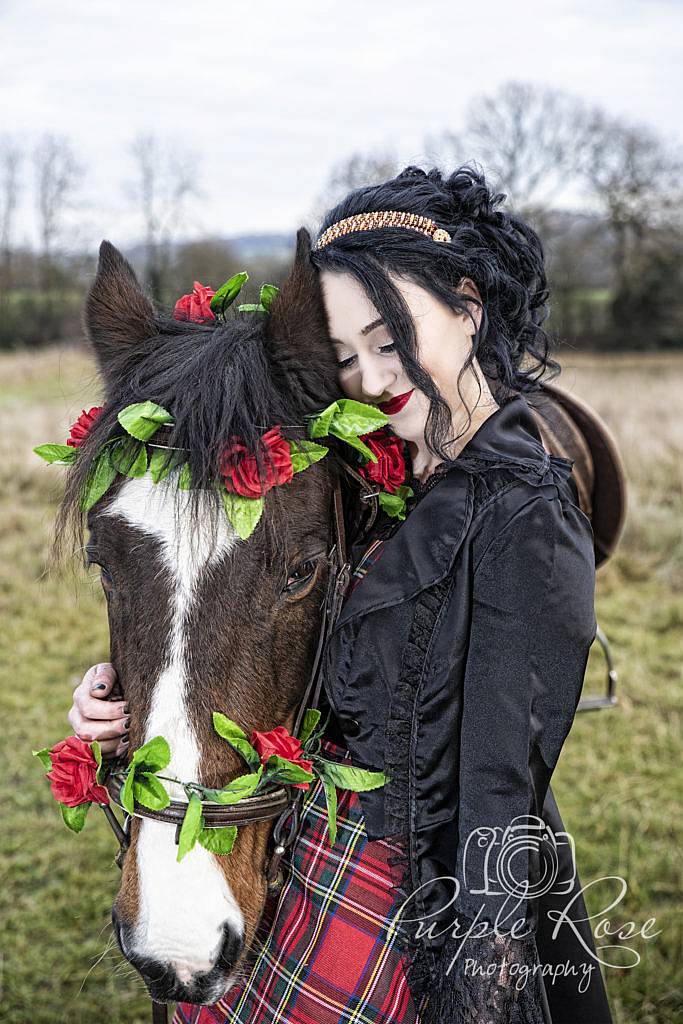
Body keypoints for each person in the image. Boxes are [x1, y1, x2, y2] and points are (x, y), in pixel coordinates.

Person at [67, 165, 613, 1023]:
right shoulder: (364, 455)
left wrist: (472, 978)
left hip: (409, 879)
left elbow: (499, 785)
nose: (369, 373)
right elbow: (235, 606)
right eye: (346, 352)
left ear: (468, 310)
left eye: (391, 338)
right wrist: (127, 691)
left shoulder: (522, 515)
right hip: (300, 830)